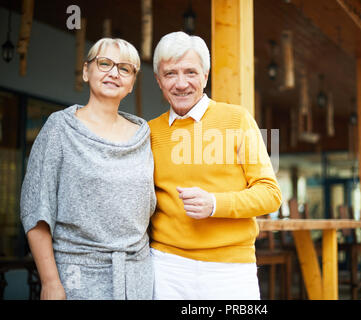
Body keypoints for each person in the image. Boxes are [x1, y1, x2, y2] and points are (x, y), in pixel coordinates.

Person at [149, 31, 282, 300]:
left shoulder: (236, 120)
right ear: (158, 80)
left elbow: (271, 194)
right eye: (171, 74)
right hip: (166, 267)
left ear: (206, 76)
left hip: (230, 269)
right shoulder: (148, 132)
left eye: (191, 72)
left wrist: (215, 204)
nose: (181, 83)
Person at [20, 38, 156, 300]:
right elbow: (35, 209)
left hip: (137, 280)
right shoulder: (60, 128)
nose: (114, 73)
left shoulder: (143, 136)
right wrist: (50, 282)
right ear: (86, 71)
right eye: (104, 63)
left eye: (125, 68)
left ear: (131, 83)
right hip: (77, 279)